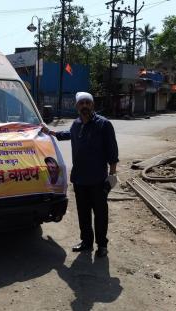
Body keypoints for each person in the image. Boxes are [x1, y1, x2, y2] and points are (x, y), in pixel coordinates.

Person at [42, 92, 119, 258]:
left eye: (87, 103)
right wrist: (51, 133)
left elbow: (112, 152)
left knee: (100, 214)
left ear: (92, 105)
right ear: (77, 107)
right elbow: (69, 135)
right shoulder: (76, 124)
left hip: (98, 180)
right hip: (79, 179)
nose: (84, 106)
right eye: (81, 103)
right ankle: (86, 242)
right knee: (83, 213)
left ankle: (102, 245)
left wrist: (112, 177)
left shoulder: (104, 124)